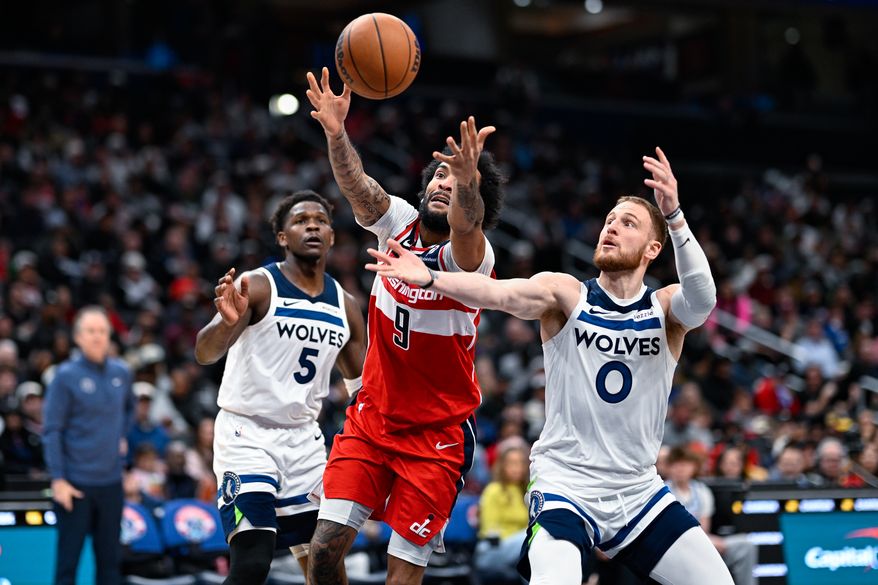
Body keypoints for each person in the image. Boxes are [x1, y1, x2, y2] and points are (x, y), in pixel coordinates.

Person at [366, 147, 734, 585]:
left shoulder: (665, 307)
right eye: (609, 221)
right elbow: (498, 294)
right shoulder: (566, 294)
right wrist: (431, 277)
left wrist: (674, 216)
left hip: (638, 491)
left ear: (654, 248)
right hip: (565, 485)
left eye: (628, 223)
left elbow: (704, 299)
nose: (612, 228)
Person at [304, 66, 506, 584]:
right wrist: (336, 132)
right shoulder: (397, 221)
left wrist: (468, 183)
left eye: (459, 179)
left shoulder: (474, 258)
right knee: (323, 553)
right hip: (373, 419)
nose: (445, 182)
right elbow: (358, 186)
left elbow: (467, 225)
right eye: (439, 175)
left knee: (401, 573)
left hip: (437, 434)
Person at [194, 190, 366, 585]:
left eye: (321, 220)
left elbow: (362, 391)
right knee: (253, 561)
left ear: (333, 236)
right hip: (247, 433)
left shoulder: (346, 305)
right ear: (283, 237)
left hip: (304, 440)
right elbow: (205, 352)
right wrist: (224, 322)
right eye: (301, 220)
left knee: (324, 564)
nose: (312, 226)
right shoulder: (257, 285)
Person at [42, 306, 135, 585]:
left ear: (109, 337)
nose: (97, 337)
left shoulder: (122, 373)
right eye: (91, 331)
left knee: (110, 564)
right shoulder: (65, 376)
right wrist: (58, 479)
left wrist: (121, 435)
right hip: (75, 485)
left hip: (111, 484)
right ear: (78, 337)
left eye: (103, 332)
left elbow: (130, 409)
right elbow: (52, 431)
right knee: (68, 565)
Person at [664, 447, 756, 585]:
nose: (680, 469)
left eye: (685, 464)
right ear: (669, 467)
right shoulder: (663, 492)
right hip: (674, 546)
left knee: (746, 545)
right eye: (676, 464)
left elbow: (704, 528)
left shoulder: (702, 491)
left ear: (694, 467)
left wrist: (709, 540)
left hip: (702, 541)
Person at [474, 441, 531, 584]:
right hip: (492, 550)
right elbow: (489, 531)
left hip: (518, 550)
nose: (516, 468)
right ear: (502, 465)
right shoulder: (493, 490)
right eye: (511, 463)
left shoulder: (527, 492)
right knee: (531, 538)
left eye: (520, 463)